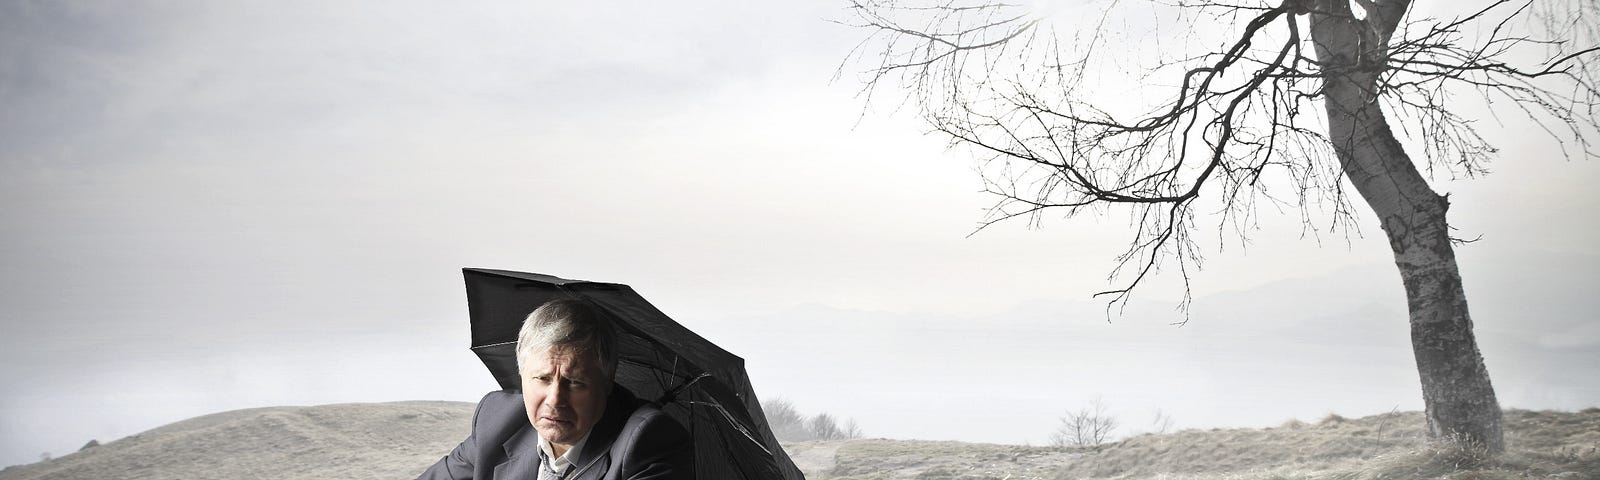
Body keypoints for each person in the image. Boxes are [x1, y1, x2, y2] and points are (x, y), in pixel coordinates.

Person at [419, 299, 694, 480]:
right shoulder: (496, 417)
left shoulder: (648, 440)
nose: (555, 400)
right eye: (542, 378)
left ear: (607, 382)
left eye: (575, 383)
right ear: (522, 374)